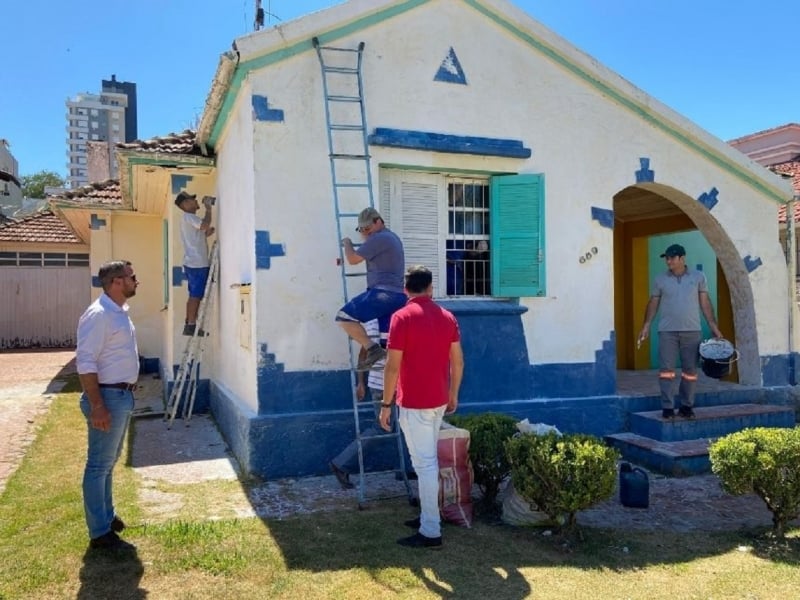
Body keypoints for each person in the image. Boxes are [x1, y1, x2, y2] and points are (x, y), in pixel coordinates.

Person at [380, 265, 464, 549]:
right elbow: (458, 362)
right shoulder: (447, 317)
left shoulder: (401, 318)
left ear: (406, 289)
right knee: (429, 463)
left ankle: (430, 530)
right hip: (439, 399)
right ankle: (430, 515)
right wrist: (453, 393)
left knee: (425, 465)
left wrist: (385, 403)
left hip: (414, 402)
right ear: (430, 288)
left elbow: (392, 367)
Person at [76, 260, 140, 551]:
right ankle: (99, 532)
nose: (136, 281)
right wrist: (97, 405)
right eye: (132, 277)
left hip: (120, 395)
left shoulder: (118, 312)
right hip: (107, 398)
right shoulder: (99, 314)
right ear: (116, 282)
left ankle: (107, 515)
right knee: (98, 465)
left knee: (108, 464)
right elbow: (85, 362)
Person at [637, 244, 723, 419]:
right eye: (666, 258)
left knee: (690, 371)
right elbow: (653, 302)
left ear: (682, 258)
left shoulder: (698, 277)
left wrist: (714, 327)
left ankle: (686, 406)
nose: (668, 261)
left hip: (692, 331)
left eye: (672, 257)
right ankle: (667, 408)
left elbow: (705, 303)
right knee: (666, 371)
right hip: (667, 331)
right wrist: (646, 325)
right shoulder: (660, 279)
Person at [328, 320, 413, 489]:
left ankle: (406, 468)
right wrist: (361, 383)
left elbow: (363, 354)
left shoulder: (377, 322)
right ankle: (341, 464)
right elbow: (363, 353)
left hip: (391, 383)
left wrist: (361, 382)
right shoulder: (392, 321)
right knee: (383, 427)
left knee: (404, 425)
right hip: (384, 385)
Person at [336, 207, 406, 371]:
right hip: (396, 296)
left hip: (384, 294)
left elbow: (353, 259)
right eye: (362, 230)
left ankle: (372, 349)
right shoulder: (391, 237)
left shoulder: (380, 238)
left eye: (367, 229)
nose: (366, 233)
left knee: (344, 317)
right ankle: (392, 390)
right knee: (387, 344)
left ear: (378, 222)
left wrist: (347, 243)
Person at [175, 191, 215, 336]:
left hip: (194, 262)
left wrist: (206, 233)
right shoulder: (189, 217)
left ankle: (190, 323)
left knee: (195, 294)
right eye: (192, 199)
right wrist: (208, 208)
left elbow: (200, 232)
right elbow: (204, 225)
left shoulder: (189, 219)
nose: (195, 201)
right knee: (195, 295)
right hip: (197, 263)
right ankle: (191, 325)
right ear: (185, 204)